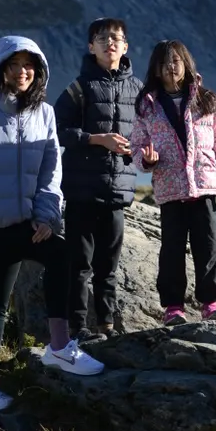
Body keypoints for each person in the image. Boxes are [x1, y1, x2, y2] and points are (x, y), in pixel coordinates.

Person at [0, 35, 105, 413]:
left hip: (26, 224)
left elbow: (51, 172)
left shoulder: (44, 114)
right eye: (15, 65)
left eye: (30, 65)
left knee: (53, 260)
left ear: (39, 71)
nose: (23, 71)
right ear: (1, 70)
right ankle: (4, 377)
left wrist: (47, 215)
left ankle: (42, 356)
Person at [129, 40, 216, 325]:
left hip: (205, 188)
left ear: (187, 63)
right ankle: (174, 308)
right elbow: (137, 146)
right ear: (155, 68)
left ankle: (211, 304)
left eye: (176, 60)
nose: (171, 66)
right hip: (170, 190)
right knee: (172, 251)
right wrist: (147, 160)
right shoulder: (147, 107)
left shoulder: (208, 101)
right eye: (164, 62)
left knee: (209, 247)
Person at [54, 17, 140, 340]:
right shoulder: (79, 88)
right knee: (80, 266)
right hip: (80, 191)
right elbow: (58, 131)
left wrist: (143, 151)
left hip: (117, 192)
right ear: (91, 46)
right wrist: (96, 139)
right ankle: (77, 329)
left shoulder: (138, 89)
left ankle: (106, 325)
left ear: (125, 47)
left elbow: (149, 133)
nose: (110, 43)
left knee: (109, 266)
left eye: (116, 38)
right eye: (102, 38)